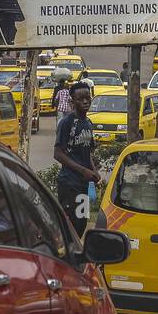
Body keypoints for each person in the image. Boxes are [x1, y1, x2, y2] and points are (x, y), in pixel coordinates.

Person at [54, 82, 100, 237]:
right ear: (72, 102)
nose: (85, 102)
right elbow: (58, 154)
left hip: (83, 185)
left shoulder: (88, 123)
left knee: (82, 222)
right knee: (71, 225)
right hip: (69, 183)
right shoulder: (66, 123)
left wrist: (93, 171)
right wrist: (83, 170)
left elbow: (87, 152)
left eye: (88, 98)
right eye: (81, 99)